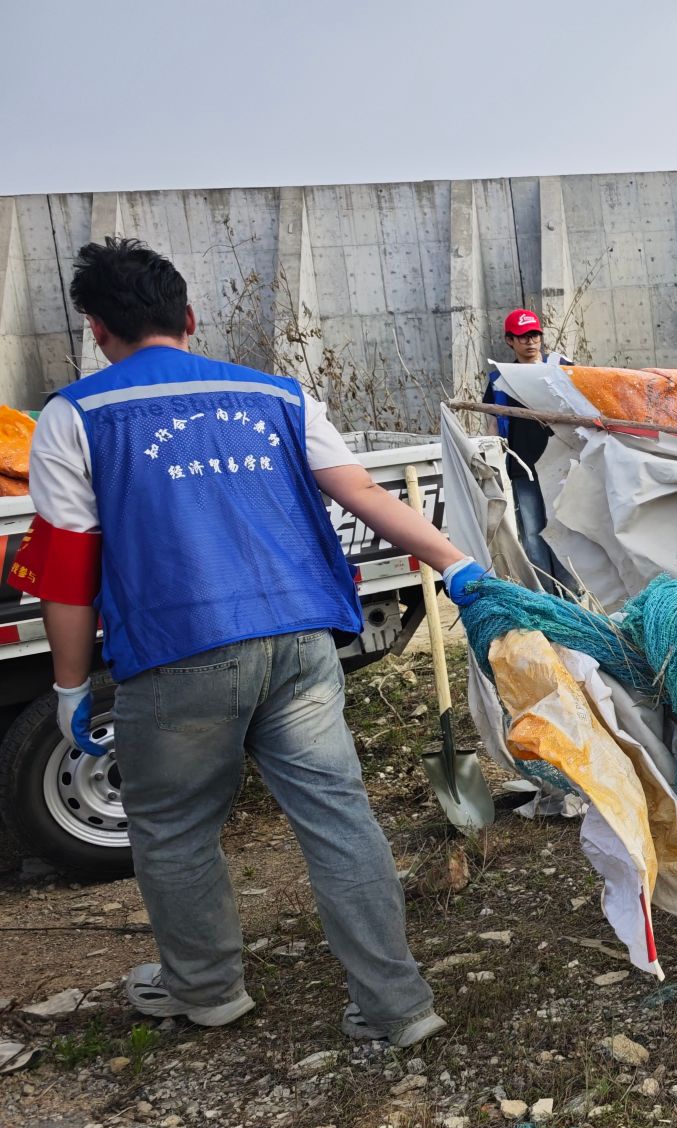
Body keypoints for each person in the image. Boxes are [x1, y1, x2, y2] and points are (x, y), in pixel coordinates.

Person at [7, 239, 490, 1046]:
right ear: (189, 317)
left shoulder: (77, 415)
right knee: (338, 817)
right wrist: (457, 563)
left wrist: (68, 687)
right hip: (301, 640)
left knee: (173, 826)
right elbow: (361, 491)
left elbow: (66, 572)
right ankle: (397, 1006)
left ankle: (207, 990)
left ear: (98, 330)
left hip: (179, 652)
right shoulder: (276, 395)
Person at [481, 308, 571, 588]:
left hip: (561, 466)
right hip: (523, 469)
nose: (530, 341)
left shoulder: (561, 368)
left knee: (565, 528)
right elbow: (492, 424)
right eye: (522, 337)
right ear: (510, 341)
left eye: (534, 335)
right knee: (532, 533)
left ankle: (574, 593)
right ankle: (545, 594)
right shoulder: (501, 380)